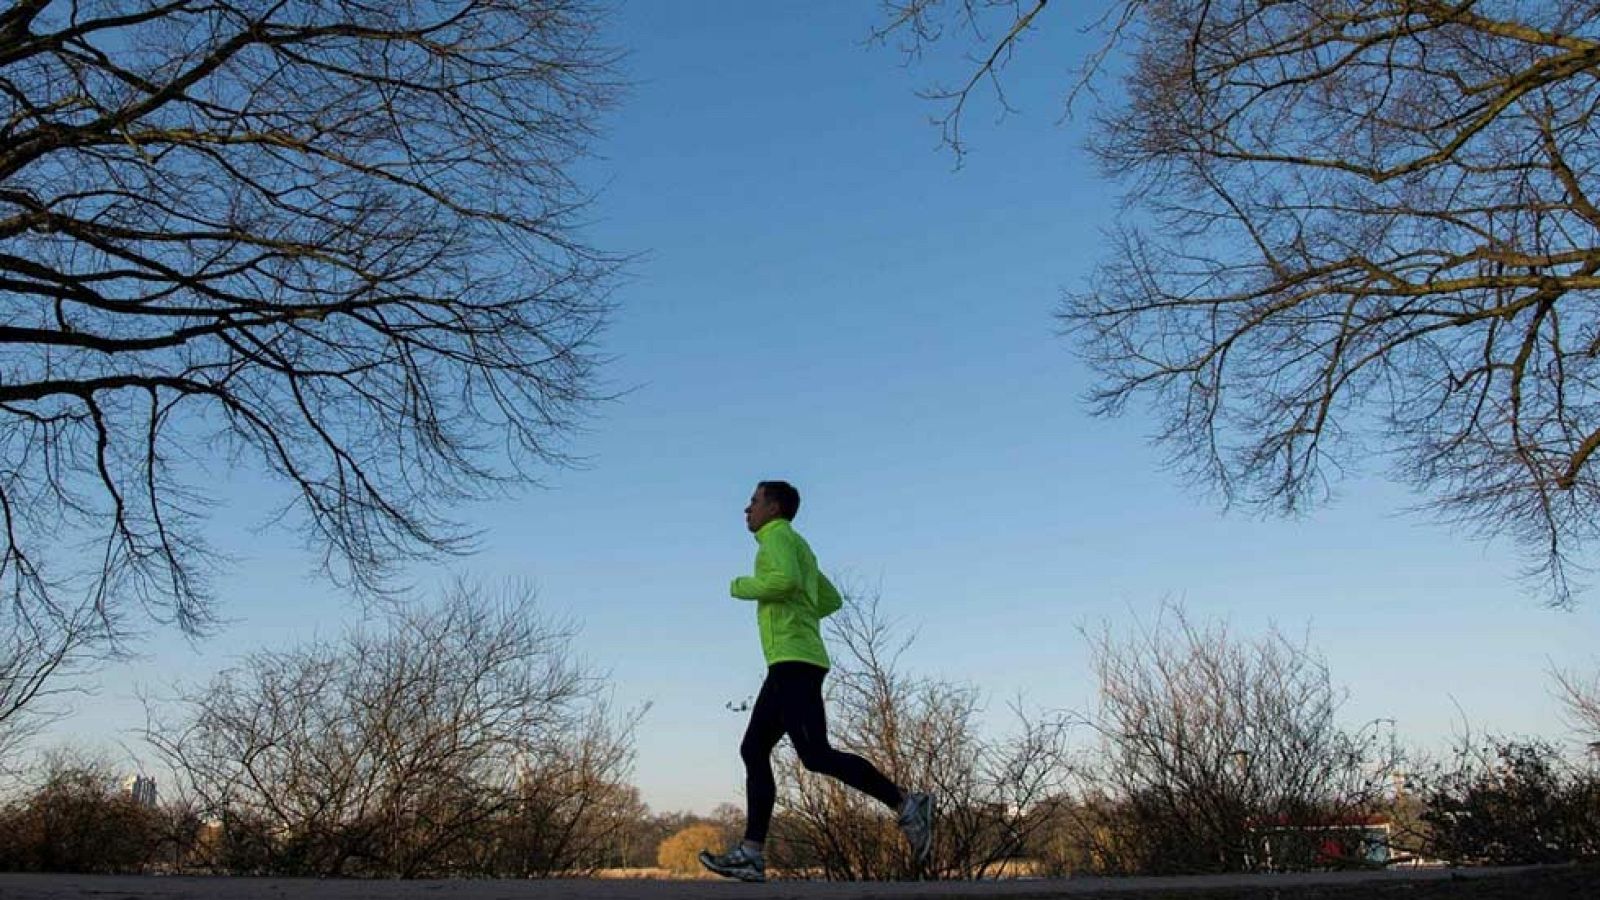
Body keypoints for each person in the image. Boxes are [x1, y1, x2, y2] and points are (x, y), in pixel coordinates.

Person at [698, 480, 934, 883]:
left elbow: (785, 583)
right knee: (754, 749)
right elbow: (829, 599)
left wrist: (741, 587)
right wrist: (799, 617)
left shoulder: (776, 538)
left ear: (774, 508)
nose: (747, 509)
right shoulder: (799, 545)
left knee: (815, 754)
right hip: (792, 660)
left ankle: (906, 804)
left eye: (754, 501)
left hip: (795, 662)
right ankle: (751, 854)